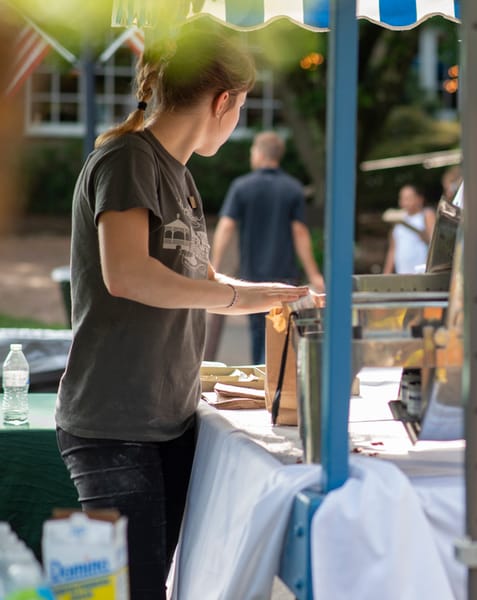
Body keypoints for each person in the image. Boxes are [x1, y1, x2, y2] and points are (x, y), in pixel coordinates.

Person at [55, 22, 310, 600]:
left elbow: (190, 275)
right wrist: (230, 298)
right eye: (242, 106)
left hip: (168, 421)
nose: (239, 118)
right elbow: (129, 275)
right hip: (114, 427)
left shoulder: (181, 174)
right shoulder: (126, 158)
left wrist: (259, 292)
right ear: (224, 101)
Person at [210, 130, 324, 364]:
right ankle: (276, 380)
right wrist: (313, 273)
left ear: (260, 153)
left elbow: (226, 227)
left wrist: (213, 266)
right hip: (285, 277)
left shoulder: (242, 186)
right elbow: (300, 232)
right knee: (281, 333)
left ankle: (261, 382)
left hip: (251, 277)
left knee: (257, 333)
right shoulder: (293, 188)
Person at [382, 183, 436, 274]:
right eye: (402, 198)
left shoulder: (427, 215)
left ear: (419, 199)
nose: (404, 202)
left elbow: (435, 243)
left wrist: (423, 235)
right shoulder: (398, 219)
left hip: (421, 274)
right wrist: (386, 274)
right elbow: (392, 250)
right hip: (402, 273)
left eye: (408, 198)